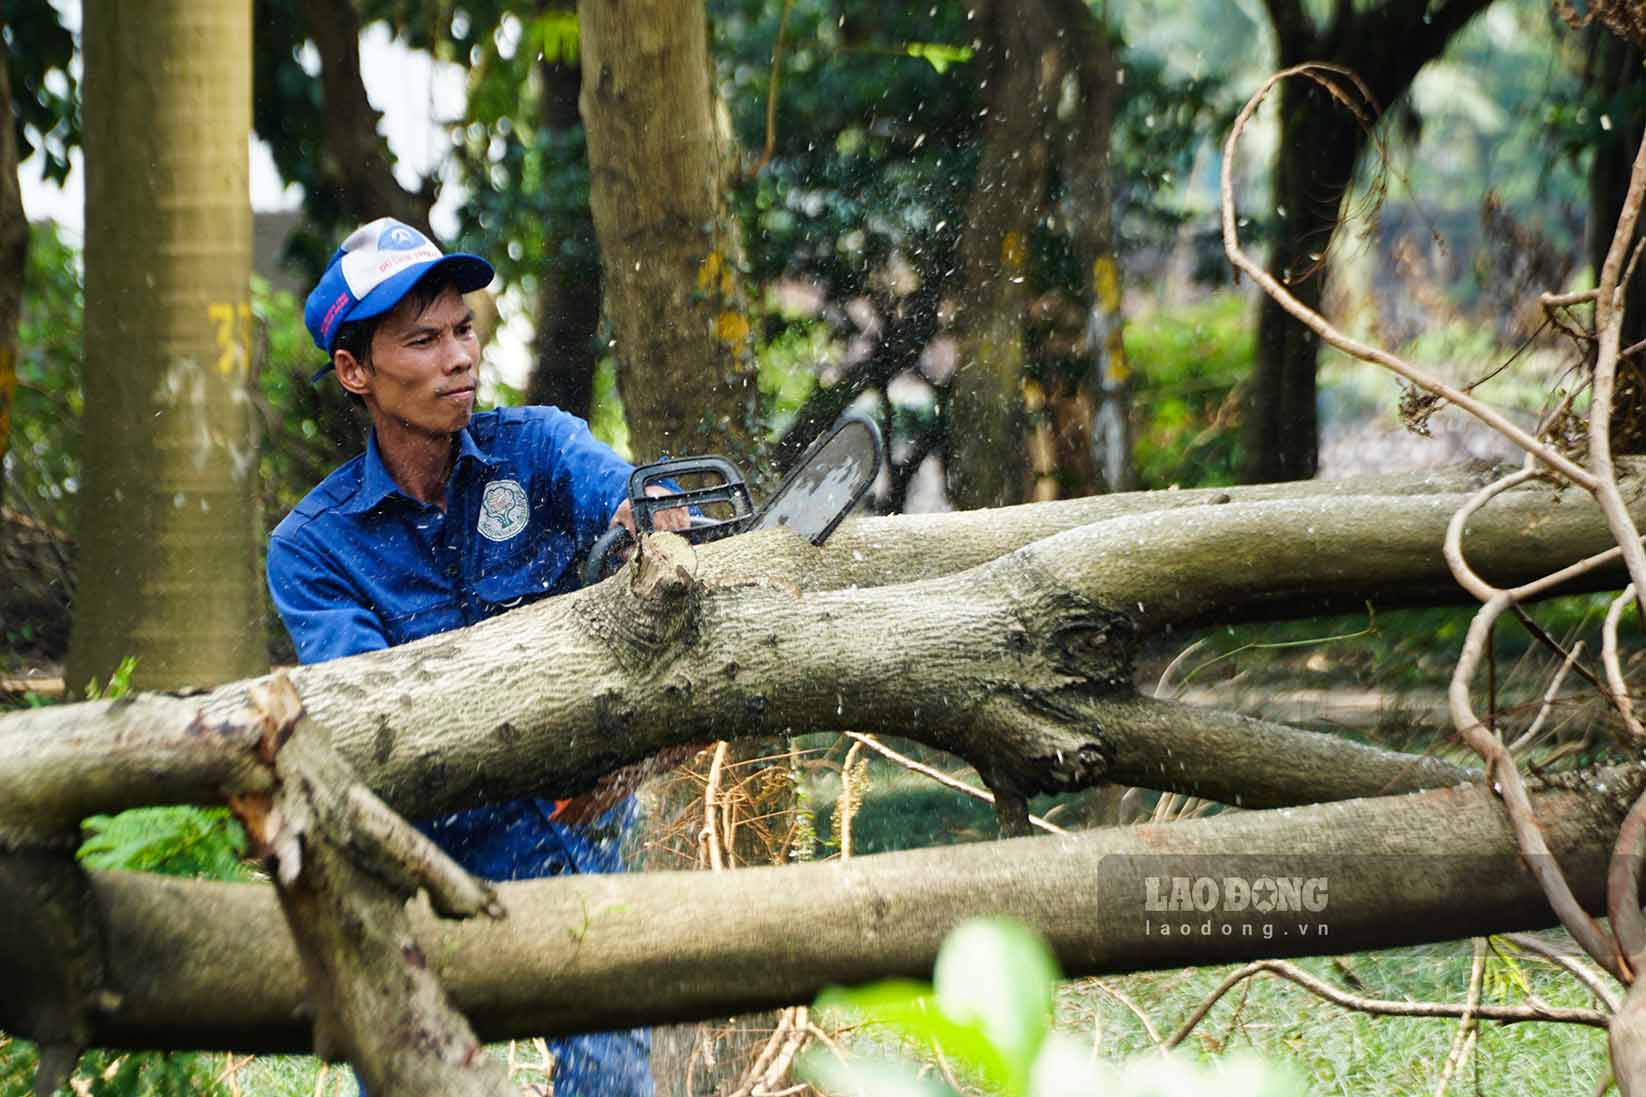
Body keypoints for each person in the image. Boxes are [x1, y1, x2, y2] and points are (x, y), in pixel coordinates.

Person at [267, 217, 682, 1095]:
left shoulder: (539, 447)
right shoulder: (313, 548)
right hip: (421, 861)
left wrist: (648, 529)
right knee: (406, 1072)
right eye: (422, 339)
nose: (458, 354)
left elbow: (649, 501)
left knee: (610, 1073)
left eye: (462, 327)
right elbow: (381, 721)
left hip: (581, 827)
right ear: (355, 371)